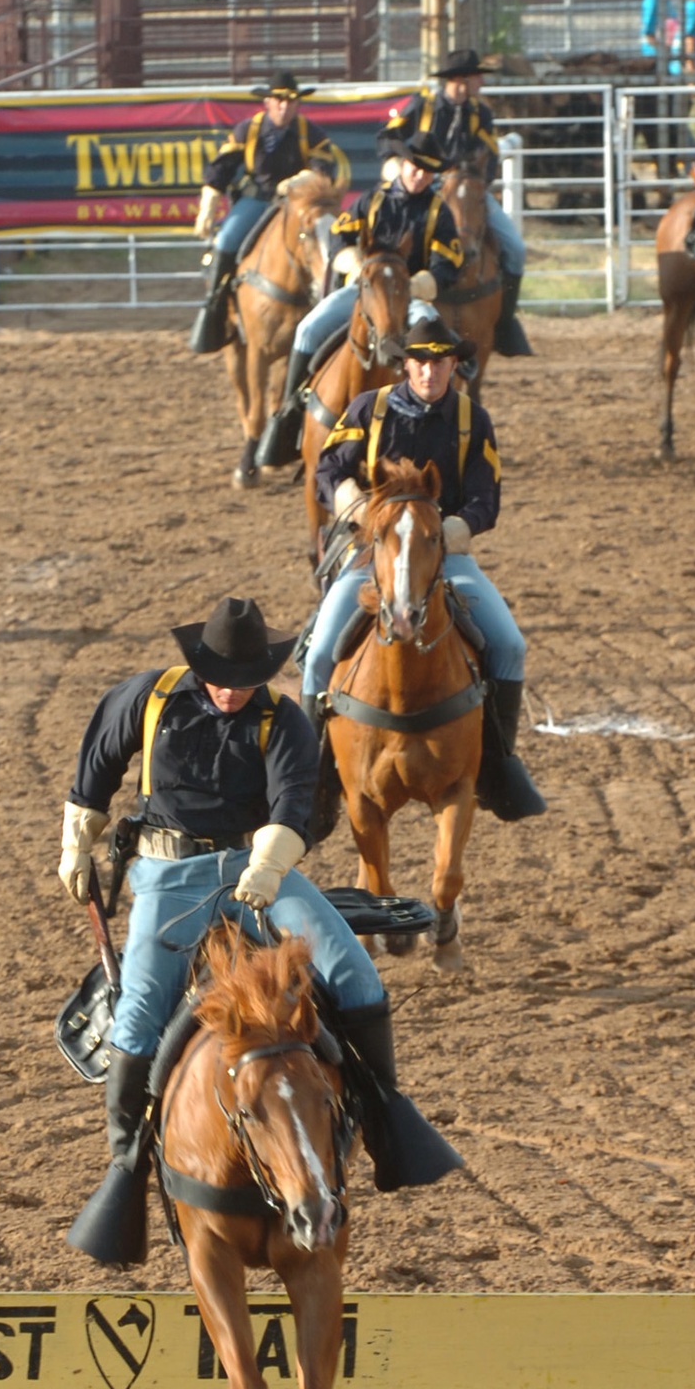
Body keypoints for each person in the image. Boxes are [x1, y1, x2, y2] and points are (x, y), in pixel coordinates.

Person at [58, 596, 460, 1259]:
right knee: (135, 1021)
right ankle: (127, 1163)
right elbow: (98, 764)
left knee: (356, 975)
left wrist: (268, 869)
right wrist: (78, 840)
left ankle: (387, 1117)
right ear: (199, 663)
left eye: (246, 679)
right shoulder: (148, 698)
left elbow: (292, 804)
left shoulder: (285, 721)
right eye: (222, 675)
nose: (232, 689)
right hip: (168, 876)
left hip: (258, 869)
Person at [300, 315, 544, 824]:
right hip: (372, 556)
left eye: (440, 362)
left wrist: (458, 529)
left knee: (510, 646)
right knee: (321, 651)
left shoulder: (471, 419)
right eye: (420, 362)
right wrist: (356, 505)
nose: (429, 372)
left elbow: (486, 497)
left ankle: (497, 768)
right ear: (405, 365)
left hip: (445, 554)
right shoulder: (368, 409)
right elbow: (328, 469)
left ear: (455, 365)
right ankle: (308, 780)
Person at [256, 128, 464, 468]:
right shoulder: (371, 200)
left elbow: (448, 263)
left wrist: (421, 283)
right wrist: (352, 262)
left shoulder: (438, 212)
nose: (420, 175)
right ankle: (290, 411)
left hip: (408, 295)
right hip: (362, 290)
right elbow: (340, 239)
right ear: (403, 164)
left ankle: (443, 420)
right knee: (308, 328)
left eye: (428, 170)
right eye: (415, 166)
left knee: (432, 335)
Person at [376, 47, 531, 358]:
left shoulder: (480, 112)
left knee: (515, 248)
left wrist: (478, 184)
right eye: (478, 77)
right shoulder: (424, 105)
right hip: (425, 186)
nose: (481, 84)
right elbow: (388, 136)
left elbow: (490, 156)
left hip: (468, 190)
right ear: (461, 80)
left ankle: (504, 322)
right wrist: (402, 162)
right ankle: (389, 317)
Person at [189, 71, 336, 355]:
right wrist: (208, 202)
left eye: (291, 101)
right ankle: (216, 306)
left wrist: (298, 182)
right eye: (279, 100)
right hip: (255, 201)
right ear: (267, 102)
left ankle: (330, 307)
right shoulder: (248, 130)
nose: (285, 106)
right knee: (226, 241)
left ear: (298, 104)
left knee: (327, 245)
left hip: (296, 206)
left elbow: (325, 170)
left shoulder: (312, 133)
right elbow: (222, 166)